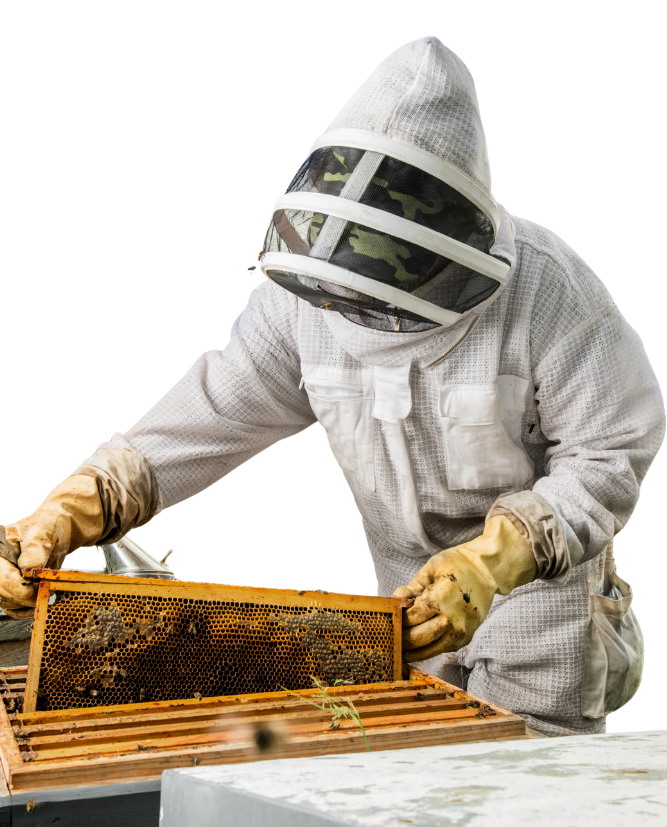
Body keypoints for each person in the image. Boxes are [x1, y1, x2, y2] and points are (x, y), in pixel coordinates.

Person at [1, 36, 663, 736]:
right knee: (410, 785)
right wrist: (71, 509)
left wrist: (494, 559)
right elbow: (212, 413)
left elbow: (608, 451)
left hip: (541, 610)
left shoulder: (549, 291)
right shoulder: (302, 300)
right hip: (400, 611)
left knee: (528, 797)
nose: (360, 314)